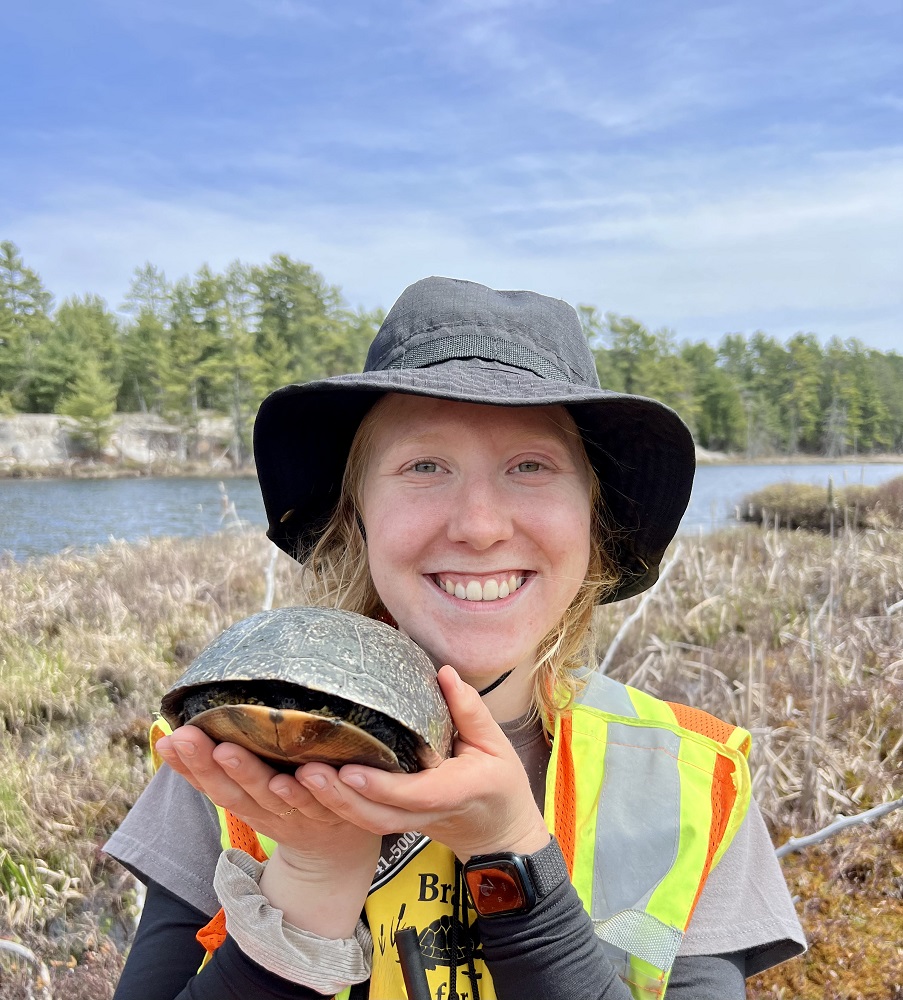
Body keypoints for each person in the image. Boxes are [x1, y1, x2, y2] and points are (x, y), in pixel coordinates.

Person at [106, 276, 805, 1000]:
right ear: (357, 517)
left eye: (530, 467)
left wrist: (510, 853)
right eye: (424, 466)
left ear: (593, 524)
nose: (478, 525)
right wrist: (311, 876)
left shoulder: (690, 781)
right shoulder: (231, 756)